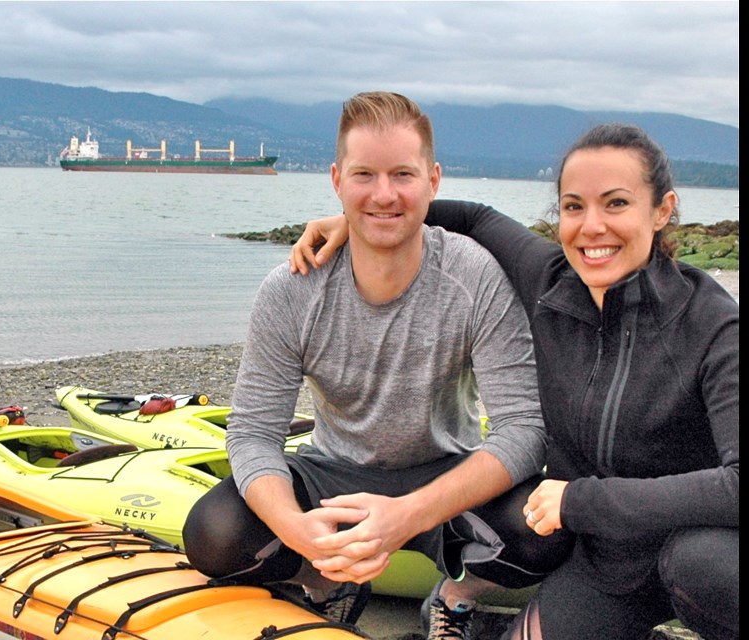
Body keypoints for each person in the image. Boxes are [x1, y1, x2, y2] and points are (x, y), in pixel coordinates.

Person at [289, 122, 738, 640]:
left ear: (662, 211)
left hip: (708, 552)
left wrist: (580, 502)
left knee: (697, 563)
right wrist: (363, 220)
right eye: (573, 206)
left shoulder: (714, 326)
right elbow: (473, 218)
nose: (592, 227)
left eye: (616, 204)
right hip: (609, 567)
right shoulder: (548, 283)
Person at [182, 92, 573, 637]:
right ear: (337, 179)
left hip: (445, 472)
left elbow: (523, 429)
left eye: (402, 175)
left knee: (547, 528)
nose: (384, 194)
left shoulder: (474, 277)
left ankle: (456, 595)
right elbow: (252, 432)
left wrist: (408, 516)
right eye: (365, 174)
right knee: (213, 531)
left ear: (433, 181)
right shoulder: (292, 290)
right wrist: (297, 530)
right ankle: (326, 583)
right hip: (332, 475)